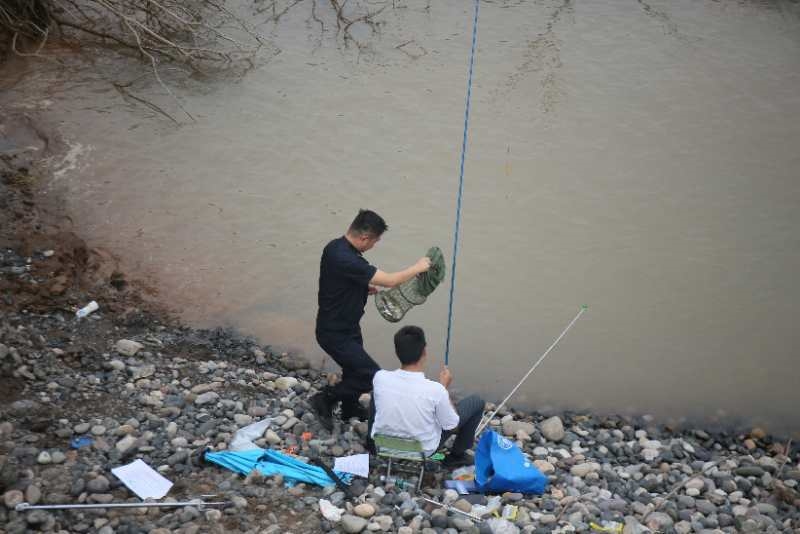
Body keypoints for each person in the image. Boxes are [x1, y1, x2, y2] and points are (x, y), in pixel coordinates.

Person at [311, 210, 432, 430]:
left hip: (348, 326)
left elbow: (337, 279)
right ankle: (325, 399)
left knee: (352, 368)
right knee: (371, 376)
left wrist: (361, 287)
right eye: (375, 241)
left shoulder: (335, 248)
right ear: (365, 237)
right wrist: (418, 267)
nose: (374, 245)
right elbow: (390, 280)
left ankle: (349, 408)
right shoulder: (347, 259)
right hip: (334, 332)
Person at [369, 325, 485, 467]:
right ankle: (457, 455)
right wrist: (444, 388)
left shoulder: (380, 377)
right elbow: (452, 426)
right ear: (424, 351)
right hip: (422, 451)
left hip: (383, 446)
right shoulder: (436, 390)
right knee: (477, 401)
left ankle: (370, 444)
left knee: (377, 393)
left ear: (397, 351)